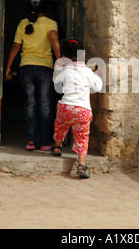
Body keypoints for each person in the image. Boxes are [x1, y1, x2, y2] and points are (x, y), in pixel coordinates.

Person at [5, 0, 61, 151]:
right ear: (46, 9)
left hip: (26, 68)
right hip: (45, 68)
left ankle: (31, 141)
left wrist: (8, 66)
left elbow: (16, 46)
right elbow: (54, 39)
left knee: (30, 105)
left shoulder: (23, 23)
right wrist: (59, 60)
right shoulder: (50, 23)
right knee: (45, 105)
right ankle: (44, 142)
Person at [51, 39, 103, 178]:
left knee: (60, 125)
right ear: (83, 54)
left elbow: (56, 81)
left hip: (66, 107)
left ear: (64, 56)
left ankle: (57, 146)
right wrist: (96, 73)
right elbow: (97, 87)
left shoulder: (64, 69)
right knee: (82, 137)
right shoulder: (87, 71)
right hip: (82, 110)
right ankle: (81, 164)